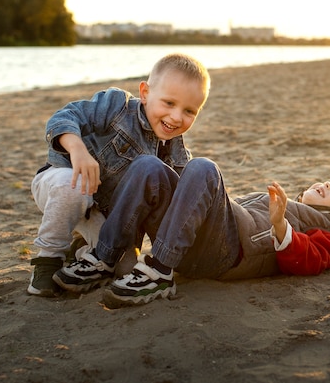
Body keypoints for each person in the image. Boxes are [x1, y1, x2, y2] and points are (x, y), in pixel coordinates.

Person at [52, 155, 330, 307]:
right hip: (189, 242)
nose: (328, 185)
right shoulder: (282, 203)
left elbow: (307, 260)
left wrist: (279, 225)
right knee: (148, 166)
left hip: (230, 252)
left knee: (204, 168)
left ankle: (158, 273)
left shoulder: (329, 232)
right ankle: (104, 257)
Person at [28, 53, 211, 297]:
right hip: (63, 184)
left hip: (105, 215)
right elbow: (64, 117)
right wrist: (78, 150)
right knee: (73, 186)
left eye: (189, 111)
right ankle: (47, 260)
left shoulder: (176, 155)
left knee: (124, 268)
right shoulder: (118, 106)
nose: (176, 117)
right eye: (168, 103)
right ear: (145, 93)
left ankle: (82, 248)